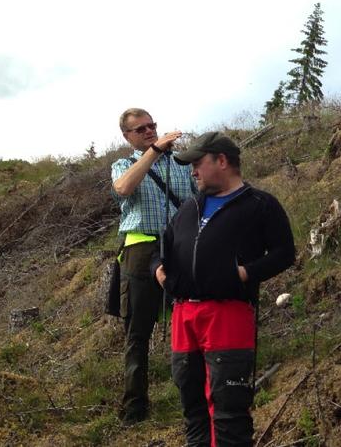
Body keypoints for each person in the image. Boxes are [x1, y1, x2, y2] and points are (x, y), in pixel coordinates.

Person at [152, 132, 295, 447]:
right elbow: (162, 248)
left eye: (197, 163)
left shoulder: (260, 204)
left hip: (228, 313)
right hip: (183, 314)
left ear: (222, 160)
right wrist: (159, 271)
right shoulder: (189, 208)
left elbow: (285, 253)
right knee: (193, 406)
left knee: (228, 408)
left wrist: (245, 273)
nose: (193, 171)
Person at [110, 107, 197, 424]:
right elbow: (123, 188)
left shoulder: (181, 164)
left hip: (180, 248)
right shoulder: (125, 164)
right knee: (138, 330)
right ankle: (134, 407)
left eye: (152, 126)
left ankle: (195, 394)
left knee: (190, 320)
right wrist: (154, 150)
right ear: (127, 137)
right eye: (141, 129)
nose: (149, 131)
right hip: (142, 250)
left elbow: (197, 202)